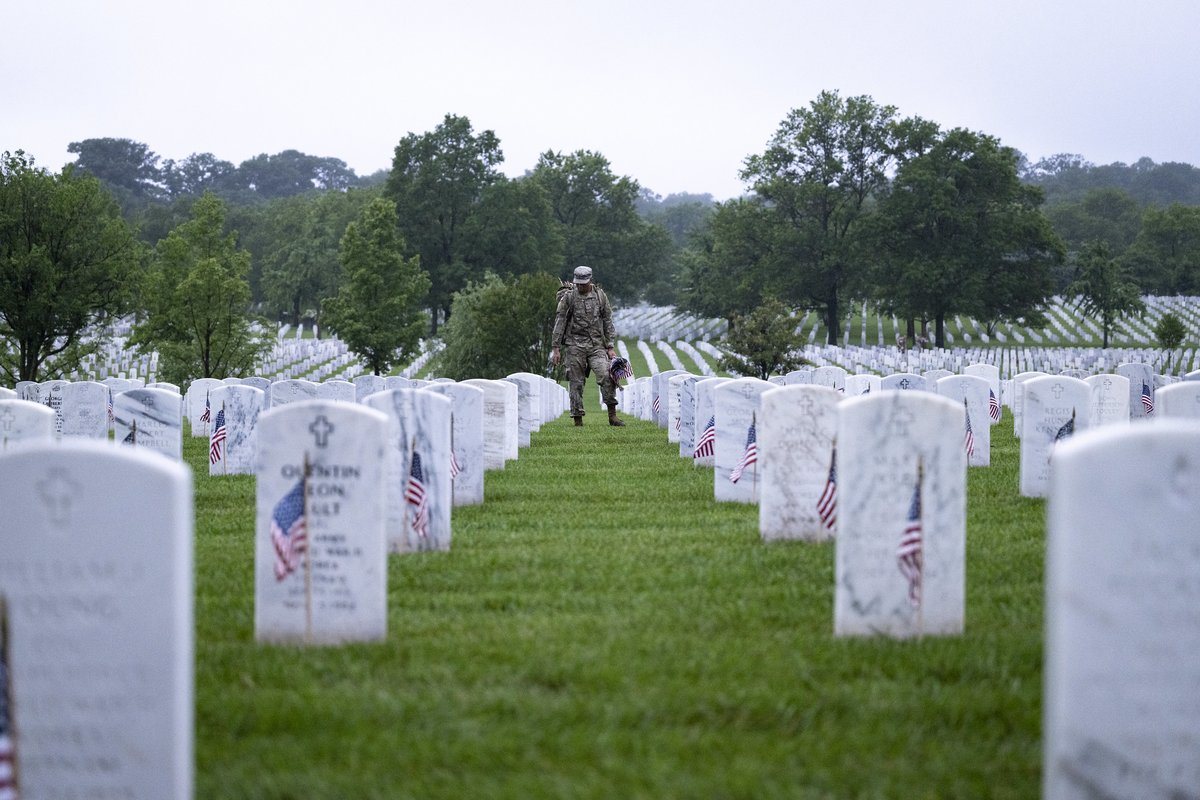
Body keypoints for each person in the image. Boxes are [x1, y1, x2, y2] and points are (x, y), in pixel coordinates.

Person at [550, 265, 624, 427]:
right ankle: (578, 419)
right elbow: (560, 321)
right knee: (576, 382)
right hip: (575, 345)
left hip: (597, 345)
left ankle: (612, 415)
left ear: (590, 281)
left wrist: (610, 346)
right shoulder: (568, 298)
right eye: (578, 284)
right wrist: (556, 348)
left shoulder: (600, 296)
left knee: (606, 375)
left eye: (583, 283)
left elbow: (607, 321)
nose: (580, 286)